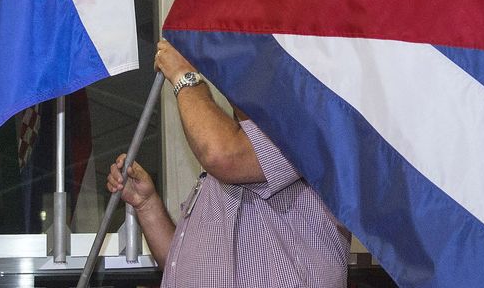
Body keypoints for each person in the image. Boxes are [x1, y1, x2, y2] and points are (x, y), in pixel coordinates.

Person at [107, 39, 350, 287]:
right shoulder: (220, 173)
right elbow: (185, 265)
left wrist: (184, 75)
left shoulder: (307, 130)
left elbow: (220, 154)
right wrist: (147, 205)